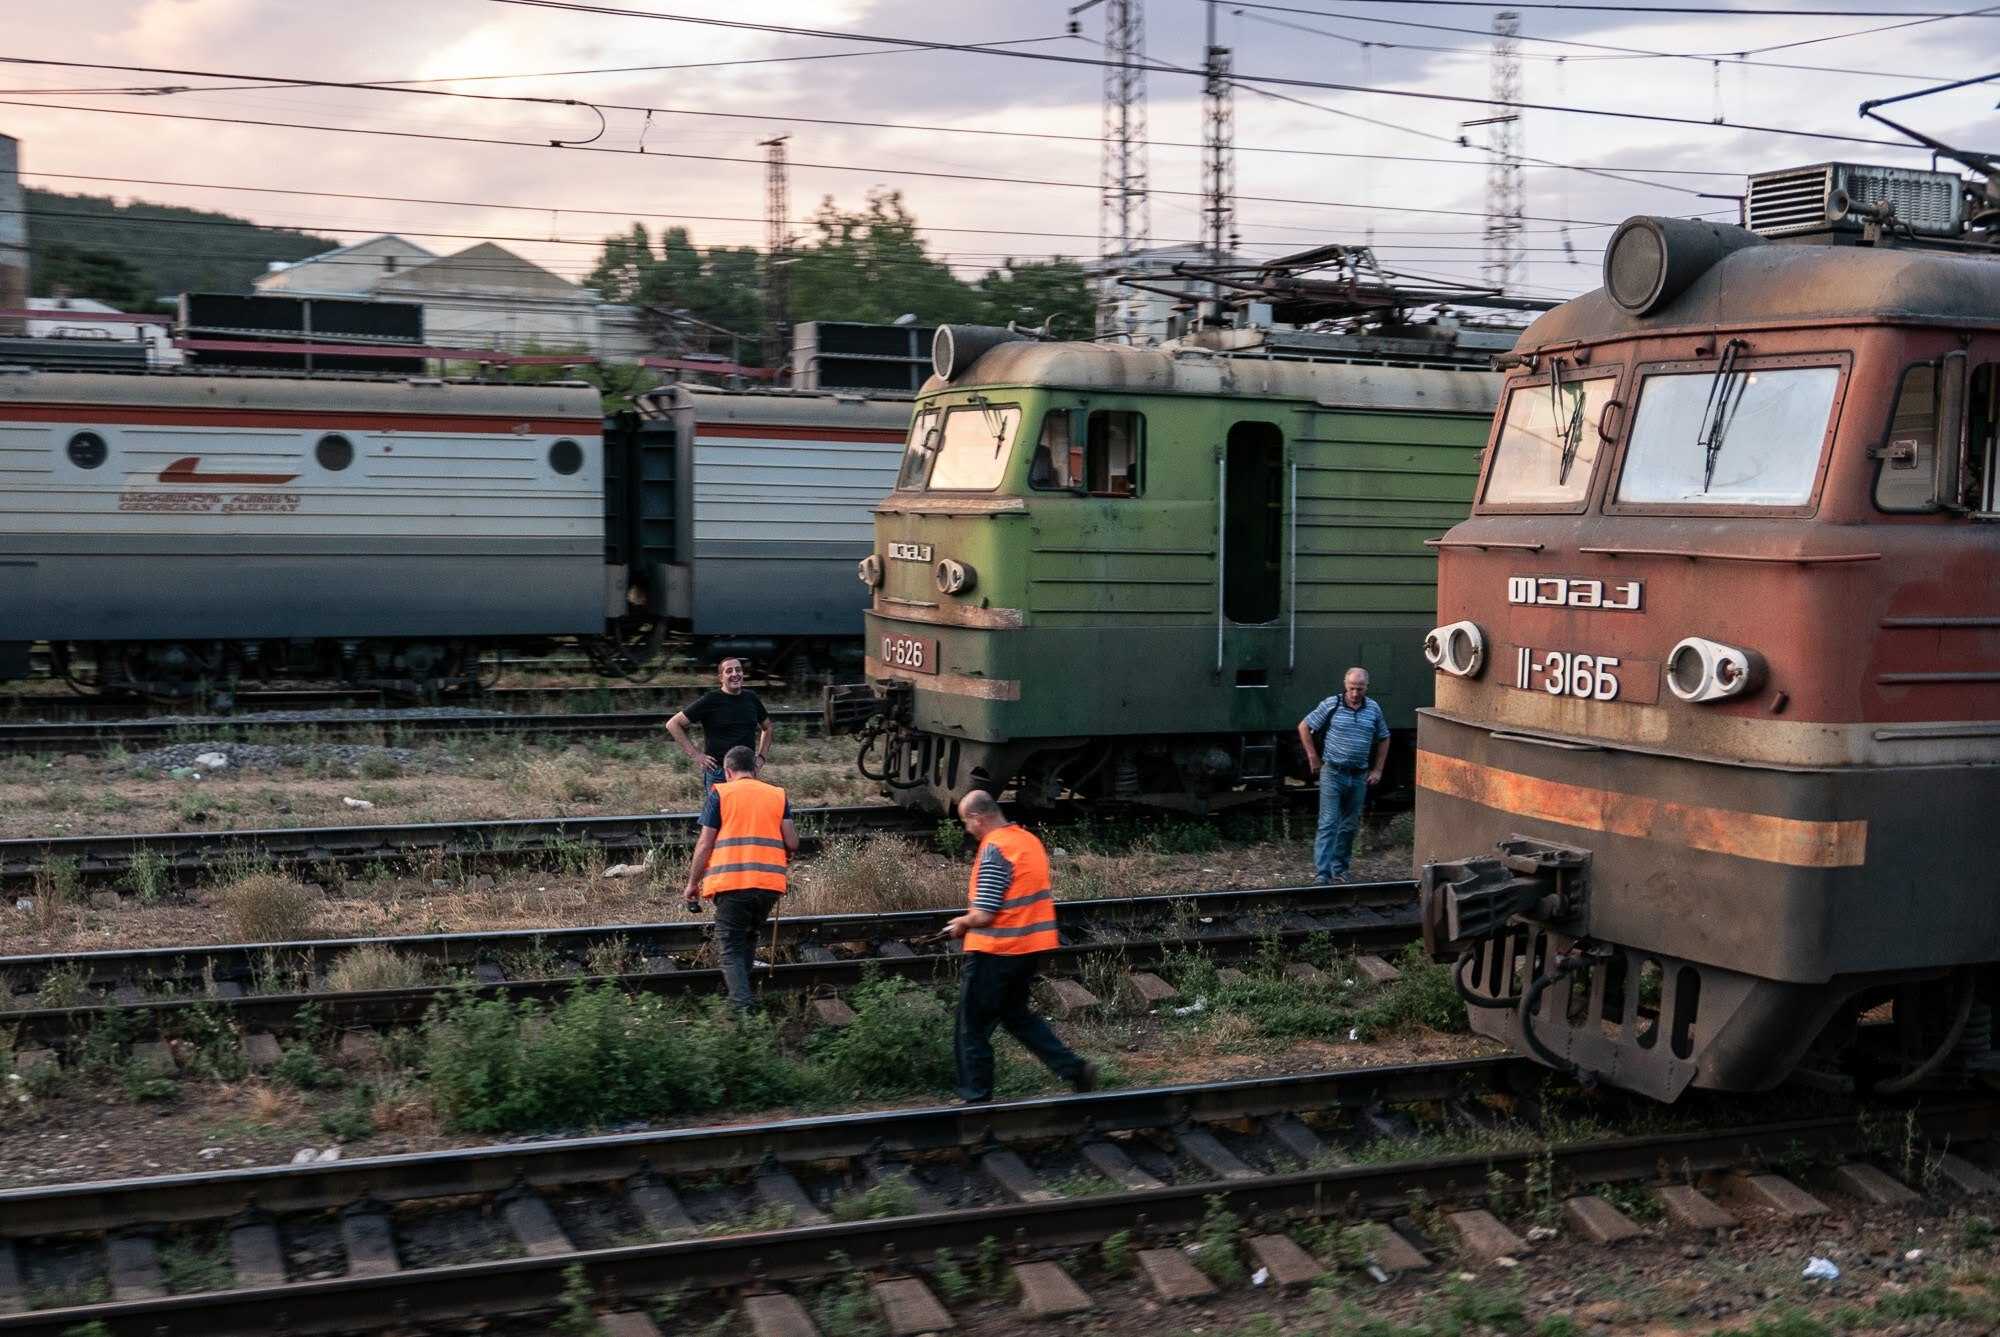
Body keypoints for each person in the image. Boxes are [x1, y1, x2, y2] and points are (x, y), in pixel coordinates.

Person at [943, 791, 1098, 1104]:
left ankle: (975, 1097)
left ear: (977, 817)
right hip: (1027, 950)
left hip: (996, 951)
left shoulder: (995, 849)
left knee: (970, 1025)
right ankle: (1075, 1070)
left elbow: (985, 913)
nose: (967, 829)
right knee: (1016, 1016)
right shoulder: (1028, 841)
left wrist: (962, 923)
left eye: (966, 822)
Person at [682, 746, 798, 1013]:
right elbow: (792, 841)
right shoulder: (777, 795)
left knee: (731, 946)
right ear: (755, 769)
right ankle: (745, 1001)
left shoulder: (721, 793)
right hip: (768, 886)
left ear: (728, 771)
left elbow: (704, 844)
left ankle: (742, 1009)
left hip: (732, 883)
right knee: (748, 937)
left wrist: (692, 883)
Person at [1297, 666, 1390, 885]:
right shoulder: (1332, 704)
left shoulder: (1373, 709)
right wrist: (1312, 756)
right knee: (1329, 822)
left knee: (1349, 825)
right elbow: (1304, 726)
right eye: (1351, 688)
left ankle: (1340, 869)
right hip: (1333, 772)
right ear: (1345, 685)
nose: (1355, 693)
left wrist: (1378, 769)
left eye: (1359, 688)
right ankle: (1322, 873)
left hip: (1358, 776)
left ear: (1367, 687)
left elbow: (1384, 737)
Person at [666, 658, 773, 793]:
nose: (735, 674)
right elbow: (673, 724)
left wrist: (761, 757)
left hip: (747, 773)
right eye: (729, 671)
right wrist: (696, 755)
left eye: (738, 670)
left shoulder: (751, 698)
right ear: (721, 678)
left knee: (742, 813)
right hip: (719, 774)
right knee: (717, 814)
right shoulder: (711, 700)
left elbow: (767, 727)